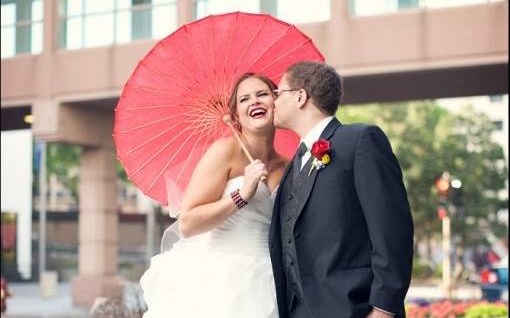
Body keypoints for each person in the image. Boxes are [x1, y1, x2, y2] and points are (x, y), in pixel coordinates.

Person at [269, 61, 414, 318]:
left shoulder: (359, 140)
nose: (273, 102)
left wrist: (384, 307)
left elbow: (392, 228)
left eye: (278, 93)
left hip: (354, 308)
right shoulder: (293, 164)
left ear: (300, 96)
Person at [140, 72, 288, 318]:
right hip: (222, 280)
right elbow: (187, 224)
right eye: (244, 99)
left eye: (262, 94)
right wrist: (242, 194)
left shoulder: (289, 164)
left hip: (271, 280)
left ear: (276, 103)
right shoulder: (224, 151)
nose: (255, 102)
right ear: (236, 114)